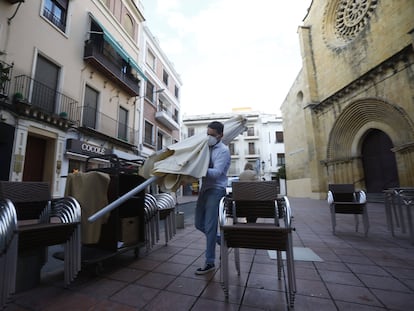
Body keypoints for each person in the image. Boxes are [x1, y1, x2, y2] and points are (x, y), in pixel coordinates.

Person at [194, 121, 231, 275]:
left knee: (210, 226)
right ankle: (221, 240)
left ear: (220, 136)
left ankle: (210, 262)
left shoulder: (223, 151)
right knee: (198, 224)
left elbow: (216, 173)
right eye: (207, 134)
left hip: (216, 190)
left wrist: (197, 168)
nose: (209, 137)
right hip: (205, 189)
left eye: (212, 135)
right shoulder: (206, 148)